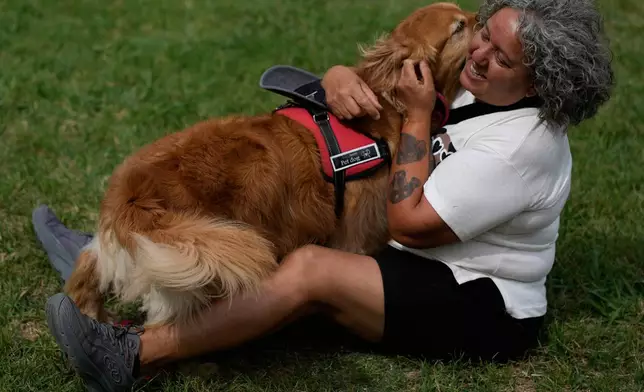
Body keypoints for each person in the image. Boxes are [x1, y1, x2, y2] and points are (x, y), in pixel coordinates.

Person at [41, 0, 614, 390]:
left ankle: (129, 356)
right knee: (284, 241)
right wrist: (339, 75)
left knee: (309, 270)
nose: (482, 54)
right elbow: (383, 92)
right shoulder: (477, 90)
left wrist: (416, 118)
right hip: (416, 261)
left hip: (479, 302)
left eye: (502, 56)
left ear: (541, 81)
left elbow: (409, 223)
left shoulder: (524, 145)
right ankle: (121, 256)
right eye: (482, 34)